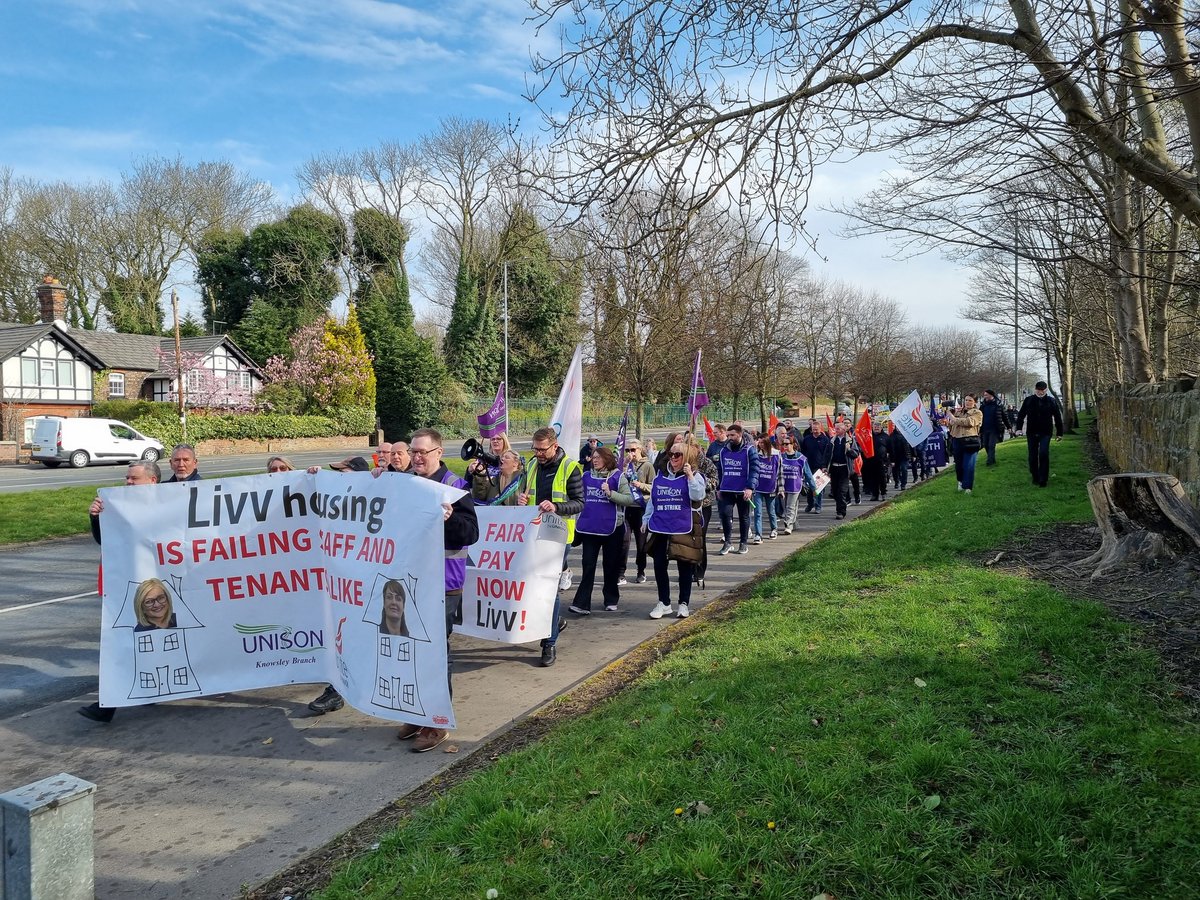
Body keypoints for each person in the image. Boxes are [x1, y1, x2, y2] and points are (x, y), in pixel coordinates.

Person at [394, 427, 479, 751]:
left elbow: (470, 533)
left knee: (433, 653)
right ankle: (418, 713)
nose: (416, 457)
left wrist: (449, 520)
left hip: (444, 584)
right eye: (413, 451)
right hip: (409, 582)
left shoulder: (455, 488)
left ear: (438, 453)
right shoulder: (406, 484)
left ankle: (437, 722)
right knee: (411, 651)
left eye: (422, 452)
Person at [79, 460, 162, 723]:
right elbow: (104, 540)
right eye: (127, 478)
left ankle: (120, 700)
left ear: (152, 481)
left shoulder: (168, 505)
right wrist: (96, 517)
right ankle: (111, 703)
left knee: (143, 641)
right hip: (127, 587)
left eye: (134, 478)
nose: (128, 482)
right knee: (124, 642)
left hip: (155, 588)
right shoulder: (117, 506)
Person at [519, 426, 584, 667]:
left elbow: (579, 503)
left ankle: (549, 644)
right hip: (534, 534)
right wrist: (521, 499)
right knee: (531, 587)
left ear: (554, 446)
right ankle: (555, 622)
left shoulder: (570, 467)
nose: (538, 454)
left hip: (558, 538)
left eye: (542, 450)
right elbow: (525, 493)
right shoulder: (532, 465)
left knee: (549, 590)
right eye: (535, 449)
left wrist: (557, 506)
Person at [645, 439, 709, 619]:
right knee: (659, 565)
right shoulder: (661, 476)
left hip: (683, 528)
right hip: (662, 527)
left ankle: (684, 603)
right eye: (670, 454)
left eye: (677, 454)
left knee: (684, 566)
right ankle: (664, 602)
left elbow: (698, 495)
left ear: (687, 457)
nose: (672, 457)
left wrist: (689, 476)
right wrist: (646, 519)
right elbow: (654, 500)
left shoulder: (695, 476)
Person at [570, 446, 636, 613]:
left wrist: (610, 493)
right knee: (588, 565)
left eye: (599, 457)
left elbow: (629, 499)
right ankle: (582, 603)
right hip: (589, 530)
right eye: (593, 457)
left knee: (611, 566)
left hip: (612, 530)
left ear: (607, 459)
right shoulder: (585, 476)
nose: (595, 460)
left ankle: (611, 599)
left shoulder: (617, 477)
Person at [716, 423, 758, 554]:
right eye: (728, 435)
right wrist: (718, 487)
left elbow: (755, 470)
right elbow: (720, 470)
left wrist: (750, 488)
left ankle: (743, 542)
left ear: (740, 435)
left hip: (743, 490)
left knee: (743, 516)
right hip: (727, 489)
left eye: (732, 435)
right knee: (725, 514)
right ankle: (728, 542)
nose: (730, 438)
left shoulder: (749, 450)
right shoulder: (724, 451)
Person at [1015, 381, 1064, 487]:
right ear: (1035, 389)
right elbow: (1021, 415)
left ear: (1046, 390)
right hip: (1032, 431)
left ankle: (1043, 479)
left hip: (1046, 431)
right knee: (1032, 456)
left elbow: (1057, 417)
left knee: (1043, 453)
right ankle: (1035, 476)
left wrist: (1059, 433)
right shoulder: (1029, 400)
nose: (1040, 392)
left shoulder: (1051, 401)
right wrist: (1018, 429)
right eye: (1038, 390)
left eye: (1043, 390)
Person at [620, 440, 655, 584]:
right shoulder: (625, 465)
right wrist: (624, 466)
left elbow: (654, 486)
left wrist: (641, 485)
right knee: (624, 541)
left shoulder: (647, 466)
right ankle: (621, 573)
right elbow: (618, 481)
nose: (630, 453)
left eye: (633, 449)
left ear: (640, 449)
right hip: (627, 507)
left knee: (641, 543)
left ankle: (641, 571)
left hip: (641, 507)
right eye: (627, 450)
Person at [947, 394, 984, 493]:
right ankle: (960, 482)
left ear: (975, 402)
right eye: (966, 400)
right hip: (957, 439)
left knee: (969, 465)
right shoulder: (959, 412)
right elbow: (952, 426)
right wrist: (950, 422)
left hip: (970, 441)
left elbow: (969, 422)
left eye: (970, 400)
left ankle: (968, 487)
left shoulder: (977, 413)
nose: (967, 402)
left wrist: (954, 419)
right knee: (958, 464)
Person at [778, 436, 816, 534]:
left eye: (787, 444)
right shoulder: (780, 457)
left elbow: (808, 473)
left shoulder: (801, 458)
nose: (784, 446)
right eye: (783, 444)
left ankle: (788, 525)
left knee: (790, 506)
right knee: (787, 506)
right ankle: (794, 523)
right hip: (783, 486)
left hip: (795, 486)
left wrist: (814, 488)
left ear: (793, 444)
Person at [827, 422, 860, 519]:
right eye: (835, 429)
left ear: (843, 430)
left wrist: (849, 450)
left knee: (842, 490)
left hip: (844, 469)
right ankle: (841, 506)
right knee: (835, 491)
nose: (835, 431)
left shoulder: (850, 440)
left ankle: (840, 512)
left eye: (837, 429)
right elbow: (827, 454)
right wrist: (824, 466)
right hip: (834, 468)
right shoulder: (832, 441)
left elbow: (856, 454)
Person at [751, 436, 781, 542]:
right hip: (758, 487)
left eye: (763, 443)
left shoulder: (776, 454)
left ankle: (774, 529)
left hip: (771, 487)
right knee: (757, 512)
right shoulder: (756, 454)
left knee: (771, 510)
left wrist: (780, 489)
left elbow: (780, 472)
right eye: (759, 443)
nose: (760, 445)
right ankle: (758, 534)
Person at [801, 420, 831, 514]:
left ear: (820, 429)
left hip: (820, 468)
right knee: (810, 488)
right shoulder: (807, 439)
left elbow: (827, 454)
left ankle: (818, 506)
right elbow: (803, 452)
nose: (815, 431)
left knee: (818, 488)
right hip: (808, 466)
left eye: (817, 429)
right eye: (813, 429)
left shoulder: (825, 440)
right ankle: (810, 504)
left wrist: (824, 466)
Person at [979, 389, 1013, 466]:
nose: (985, 397)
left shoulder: (999, 405)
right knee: (986, 445)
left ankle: (990, 461)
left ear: (991, 395)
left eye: (986, 395)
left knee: (991, 445)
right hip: (985, 428)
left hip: (995, 429)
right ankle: (991, 459)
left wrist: (1009, 427)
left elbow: (1005, 417)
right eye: (984, 395)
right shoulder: (983, 405)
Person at [862, 420, 890, 502]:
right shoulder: (868, 436)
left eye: (878, 426)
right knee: (873, 479)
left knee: (882, 479)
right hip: (870, 461)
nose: (876, 427)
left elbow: (890, 449)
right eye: (875, 426)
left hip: (882, 462)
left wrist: (890, 460)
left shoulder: (886, 437)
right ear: (872, 427)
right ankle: (875, 495)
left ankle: (883, 493)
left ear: (881, 428)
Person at [888, 424, 912, 491]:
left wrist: (913, 455)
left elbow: (910, 446)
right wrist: (891, 460)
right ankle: (896, 481)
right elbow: (890, 448)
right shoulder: (892, 436)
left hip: (904, 456)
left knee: (904, 469)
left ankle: (903, 484)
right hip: (895, 457)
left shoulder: (906, 435)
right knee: (895, 471)